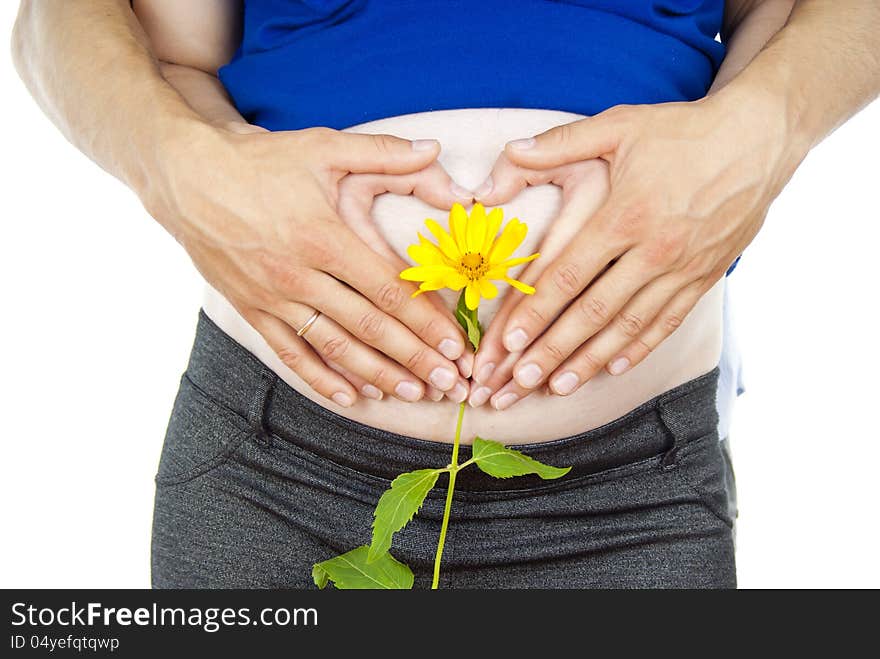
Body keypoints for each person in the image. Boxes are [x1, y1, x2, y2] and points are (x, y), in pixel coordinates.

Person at [12, 0, 878, 588]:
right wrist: (178, 161)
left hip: (629, 496)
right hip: (277, 469)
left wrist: (764, 125)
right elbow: (96, 24)